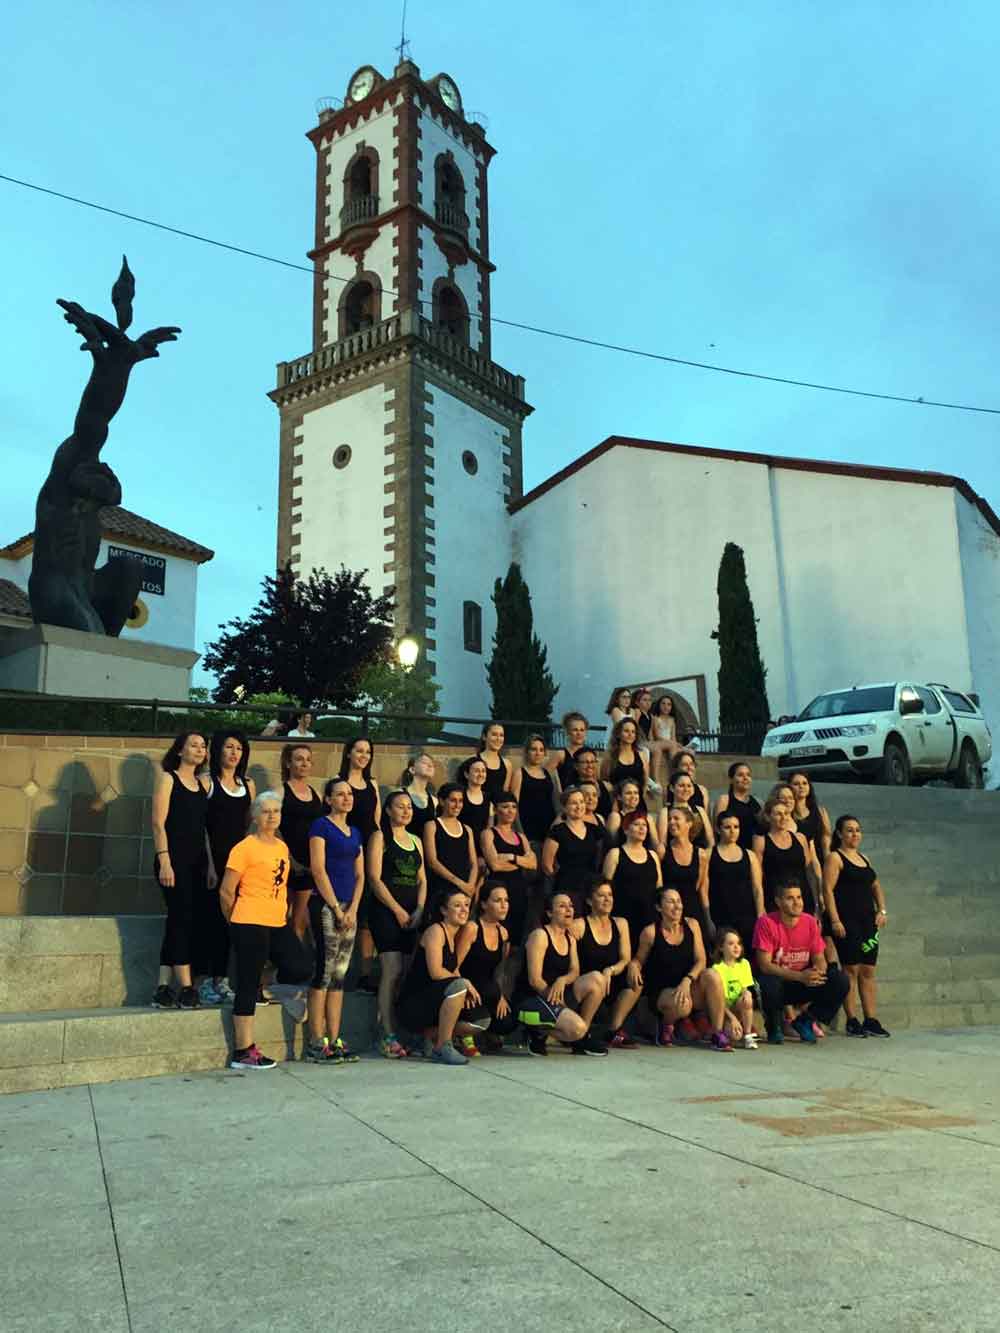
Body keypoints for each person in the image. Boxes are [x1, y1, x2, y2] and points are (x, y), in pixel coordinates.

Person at [220, 791, 312, 1070]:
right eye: (266, 811)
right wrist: (234, 921)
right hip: (248, 920)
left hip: (276, 921)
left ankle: (265, 982)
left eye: (276, 811)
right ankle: (243, 1051)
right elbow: (226, 891)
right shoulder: (244, 847)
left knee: (300, 966)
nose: (272, 816)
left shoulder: (281, 847)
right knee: (246, 985)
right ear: (256, 816)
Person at [306, 779, 364, 1064]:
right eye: (340, 794)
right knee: (325, 970)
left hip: (349, 907)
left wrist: (352, 909)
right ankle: (316, 1041)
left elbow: (360, 875)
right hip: (326, 906)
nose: (346, 798)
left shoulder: (356, 832)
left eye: (349, 793)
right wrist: (337, 910)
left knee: (340, 975)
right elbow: (318, 869)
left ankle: (334, 1037)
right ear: (328, 799)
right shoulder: (321, 826)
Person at [630, 887, 731, 1050]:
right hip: (663, 990)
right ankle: (665, 1025)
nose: (677, 906)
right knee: (682, 1004)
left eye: (679, 901)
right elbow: (638, 960)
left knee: (712, 975)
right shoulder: (650, 932)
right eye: (670, 901)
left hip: (688, 985)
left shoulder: (692, 925)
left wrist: (687, 980)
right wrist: (633, 966)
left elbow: (701, 960)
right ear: (658, 907)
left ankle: (717, 1033)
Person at [150, 732, 210, 1009]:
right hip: (172, 862)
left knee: (179, 920)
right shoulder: (168, 778)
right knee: (180, 918)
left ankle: (162, 987)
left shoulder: (201, 784)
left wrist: (209, 865)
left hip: (197, 863)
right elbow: (158, 823)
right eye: (193, 745)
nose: (199, 750)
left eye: (202, 746)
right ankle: (187, 987)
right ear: (180, 750)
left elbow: (203, 830)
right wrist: (164, 860)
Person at [397, 888, 489, 1065]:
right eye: (457, 906)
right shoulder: (435, 931)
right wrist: (464, 983)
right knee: (459, 985)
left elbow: (453, 972)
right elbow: (436, 971)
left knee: (481, 1020)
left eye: (466, 905)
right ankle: (442, 1047)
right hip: (414, 1004)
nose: (464, 910)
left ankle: (428, 1036)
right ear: (443, 910)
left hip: (435, 1002)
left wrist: (463, 988)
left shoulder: (454, 934)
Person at [367, 790, 427, 1058]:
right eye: (399, 807)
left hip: (412, 915)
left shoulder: (415, 840)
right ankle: (386, 1033)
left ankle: (403, 1031)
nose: (405, 811)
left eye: (409, 808)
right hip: (386, 913)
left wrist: (420, 909)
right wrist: (397, 910)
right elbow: (374, 878)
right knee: (391, 971)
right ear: (388, 810)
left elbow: (422, 879)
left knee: (406, 973)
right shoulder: (381, 837)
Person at [197, 730, 255, 1006]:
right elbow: (202, 828)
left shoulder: (248, 785)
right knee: (210, 921)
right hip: (213, 861)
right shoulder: (207, 782)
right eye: (229, 747)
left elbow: (246, 827)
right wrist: (209, 864)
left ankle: (222, 980)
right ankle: (206, 981)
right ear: (218, 751)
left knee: (232, 921)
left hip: (239, 863)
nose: (234, 753)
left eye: (239, 749)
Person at [753, 881, 850, 1044]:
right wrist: (800, 976)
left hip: (802, 981)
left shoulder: (810, 922)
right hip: (779, 982)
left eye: (799, 897)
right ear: (778, 902)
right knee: (768, 983)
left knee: (840, 980)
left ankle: (806, 1020)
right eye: (790, 898)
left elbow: (820, 958)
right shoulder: (766, 923)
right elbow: (765, 965)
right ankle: (774, 1026)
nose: (797, 902)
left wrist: (817, 973)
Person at [824, 815, 890, 1037]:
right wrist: (834, 920)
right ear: (840, 834)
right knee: (850, 969)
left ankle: (871, 1019)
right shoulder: (835, 857)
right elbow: (827, 890)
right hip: (846, 921)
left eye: (858, 830)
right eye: (849, 830)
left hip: (867, 922)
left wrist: (882, 911)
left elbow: (876, 886)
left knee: (868, 970)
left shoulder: (865, 858)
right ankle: (852, 1019)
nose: (854, 834)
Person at [518, 892, 606, 1055]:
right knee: (576, 1028)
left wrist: (562, 980)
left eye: (571, 905)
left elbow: (575, 971)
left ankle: (581, 1038)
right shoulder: (540, 936)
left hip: (556, 993)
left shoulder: (569, 938)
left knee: (597, 979)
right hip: (533, 998)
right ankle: (537, 1033)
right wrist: (558, 1003)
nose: (569, 909)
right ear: (550, 913)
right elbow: (534, 980)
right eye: (562, 906)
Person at [570, 876, 641, 1048]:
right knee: (596, 979)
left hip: (609, 980)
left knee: (636, 980)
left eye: (609, 895)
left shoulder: (621, 923)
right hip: (586, 983)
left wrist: (610, 970)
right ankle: (581, 1033)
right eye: (601, 895)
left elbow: (625, 958)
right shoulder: (578, 925)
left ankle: (613, 1030)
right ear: (589, 900)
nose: (607, 899)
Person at [339, 736, 381, 993]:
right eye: (359, 751)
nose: (364, 755)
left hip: (370, 853)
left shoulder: (372, 784)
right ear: (349, 753)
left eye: (368, 752)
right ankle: (338, 974)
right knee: (345, 913)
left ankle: (365, 976)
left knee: (366, 917)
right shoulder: (339, 783)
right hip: (345, 851)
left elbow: (376, 822)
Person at [457, 881, 519, 1054]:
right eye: (497, 900)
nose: (503, 905)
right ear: (484, 904)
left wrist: (500, 996)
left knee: (508, 1022)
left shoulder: (503, 933)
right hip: (466, 988)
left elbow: (498, 971)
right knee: (476, 1020)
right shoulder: (472, 928)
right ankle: (463, 1035)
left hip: (486, 989)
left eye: (506, 901)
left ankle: (486, 1033)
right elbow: (454, 966)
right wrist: (463, 989)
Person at [279, 743, 323, 939]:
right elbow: (272, 830)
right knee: (282, 916)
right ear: (288, 763)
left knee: (300, 921)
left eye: (308, 759)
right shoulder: (280, 791)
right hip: (287, 864)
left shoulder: (316, 794)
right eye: (299, 759)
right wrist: (291, 860)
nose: (304, 763)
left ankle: (298, 966)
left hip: (309, 866)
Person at [481, 791, 537, 946]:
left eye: (514, 807)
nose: (510, 810)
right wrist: (521, 862)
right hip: (497, 890)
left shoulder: (521, 837)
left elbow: (533, 864)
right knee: (497, 934)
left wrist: (512, 857)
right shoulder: (488, 834)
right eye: (505, 807)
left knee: (515, 939)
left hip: (519, 890)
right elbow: (495, 865)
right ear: (496, 810)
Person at [603, 810, 661, 949]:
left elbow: (660, 888)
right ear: (626, 829)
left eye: (644, 825)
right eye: (636, 824)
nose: (642, 828)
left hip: (649, 917)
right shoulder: (615, 854)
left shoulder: (653, 855)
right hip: (624, 916)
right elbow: (604, 888)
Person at [707, 812, 764, 950]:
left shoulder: (749, 855)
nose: (733, 831)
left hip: (747, 916)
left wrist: (760, 915)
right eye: (727, 827)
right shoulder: (709, 854)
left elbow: (757, 888)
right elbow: (704, 890)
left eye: (736, 827)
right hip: (721, 916)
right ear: (718, 829)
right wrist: (708, 919)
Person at [541, 787, 603, 912]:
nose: (579, 806)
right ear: (564, 807)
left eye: (581, 802)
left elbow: (600, 856)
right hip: (566, 886)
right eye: (574, 803)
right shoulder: (557, 831)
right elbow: (547, 865)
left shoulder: (594, 830)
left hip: (590, 887)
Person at [752, 797, 817, 915]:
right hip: (775, 901)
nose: (783, 817)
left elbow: (810, 873)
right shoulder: (760, 841)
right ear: (768, 817)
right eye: (778, 814)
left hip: (803, 899)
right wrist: (760, 908)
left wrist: (817, 902)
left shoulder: (800, 838)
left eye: (786, 813)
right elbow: (757, 878)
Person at [422, 782, 478, 902]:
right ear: (442, 801)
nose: (457, 805)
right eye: (453, 800)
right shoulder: (431, 826)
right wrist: (459, 883)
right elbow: (432, 862)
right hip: (441, 890)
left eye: (461, 801)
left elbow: (473, 863)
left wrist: (470, 886)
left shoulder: (467, 830)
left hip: (464, 892)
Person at [659, 805, 709, 926]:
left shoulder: (701, 854)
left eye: (676, 818)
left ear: (689, 823)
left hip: (693, 911)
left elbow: (701, 889)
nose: (671, 822)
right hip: (670, 914)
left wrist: (708, 919)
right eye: (670, 819)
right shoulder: (663, 851)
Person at [711, 927, 758, 1049]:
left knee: (748, 998)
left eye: (738, 943)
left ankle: (748, 1035)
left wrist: (747, 993)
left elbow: (744, 989)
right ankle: (723, 1031)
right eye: (731, 944)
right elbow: (719, 1002)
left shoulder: (744, 964)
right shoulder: (717, 968)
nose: (736, 947)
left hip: (737, 1007)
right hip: (724, 1010)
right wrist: (732, 1019)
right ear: (721, 947)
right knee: (734, 1036)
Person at [510, 734, 557, 847]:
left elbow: (555, 802)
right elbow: (513, 805)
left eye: (541, 750)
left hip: (548, 828)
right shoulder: (520, 773)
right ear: (527, 752)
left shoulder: (548, 774)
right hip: (528, 828)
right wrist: (521, 832)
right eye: (533, 749)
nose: (538, 753)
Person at [667, 753, 714, 849]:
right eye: (684, 764)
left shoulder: (702, 791)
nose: (689, 767)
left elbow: (708, 828)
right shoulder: (669, 792)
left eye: (691, 764)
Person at [712, 762, 762, 851]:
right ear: (731, 780)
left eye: (748, 775)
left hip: (753, 852)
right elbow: (717, 829)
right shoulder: (724, 800)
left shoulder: (757, 802)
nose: (745, 778)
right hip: (730, 852)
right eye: (740, 775)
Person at [789, 771, 832, 863]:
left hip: (819, 860)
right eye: (796, 784)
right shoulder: (786, 814)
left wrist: (828, 861)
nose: (801, 786)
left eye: (805, 783)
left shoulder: (820, 811)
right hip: (797, 862)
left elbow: (826, 837)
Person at [600, 717, 650, 794]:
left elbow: (645, 782)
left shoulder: (642, 754)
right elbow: (604, 780)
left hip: (637, 800)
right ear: (618, 734)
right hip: (616, 800)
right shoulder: (610, 756)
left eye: (633, 732)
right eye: (626, 731)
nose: (630, 734)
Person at [399, 751, 438, 839]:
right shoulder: (399, 794)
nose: (430, 765)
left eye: (432, 764)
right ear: (412, 769)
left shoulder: (434, 801)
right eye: (424, 762)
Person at [458, 755, 492, 850]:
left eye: (483, 771)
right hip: (461, 845)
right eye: (477, 771)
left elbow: (489, 829)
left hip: (481, 847)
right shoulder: (459, 796)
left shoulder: (488, 798)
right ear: (466, 774)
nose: (481, 774)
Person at [648, 694, 680, 786]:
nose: (666, 706)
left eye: (669, 704)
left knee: (683, 750)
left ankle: (677, 775)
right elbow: (657, 736)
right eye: (663, 704)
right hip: (659, 742)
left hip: (670, 744)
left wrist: (676, 744)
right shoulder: (655, 718)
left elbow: (673, 736)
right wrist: (672, 743)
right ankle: (657, 779)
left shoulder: (672, 720)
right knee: (673, 745)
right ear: (659, 705)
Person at [551, 711, 589, 790]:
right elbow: (545, 776)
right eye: (575, 730)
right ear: (568, 732)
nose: (579, 733)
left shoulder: (589, 755)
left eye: (582, 730)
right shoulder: (561, 755)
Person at [572, 747, 614, 818]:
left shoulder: (606, 786)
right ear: (576, 766)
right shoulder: (573, 789)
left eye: (592, 762)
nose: (590, 765)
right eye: (585, 762)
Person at [476, 722, 510, 807]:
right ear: (484, 737)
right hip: (478, 808)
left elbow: (505, 793)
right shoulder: (474, 760)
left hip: (498, 812)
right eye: (494, 734)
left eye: (501, 735)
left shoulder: (507, 764)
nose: (498, 738)